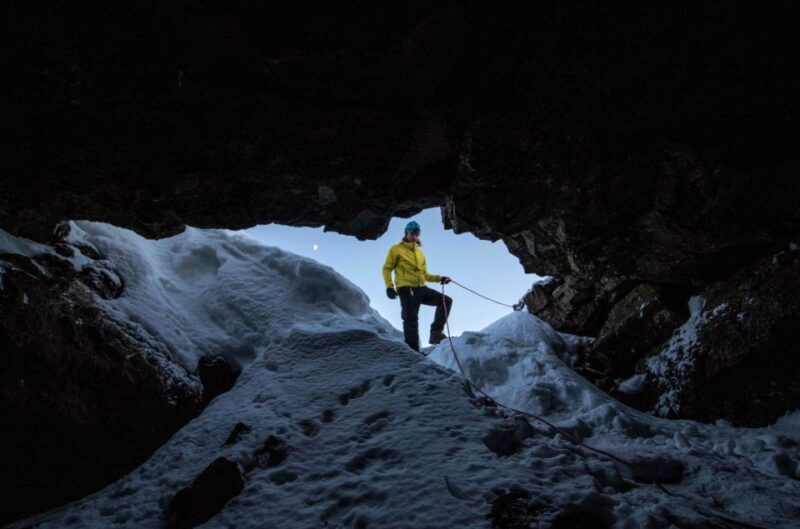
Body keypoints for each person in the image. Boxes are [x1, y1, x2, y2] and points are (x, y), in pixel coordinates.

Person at [382, 220, 452, 352]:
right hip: (406, 288)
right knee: (411, 318)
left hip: (421, 288)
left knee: (445, 301)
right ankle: (413, 352)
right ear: (406, 233)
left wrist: (440, 279)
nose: (414, 236)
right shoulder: (396, 249)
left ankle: (436, 333)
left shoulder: (420, 253)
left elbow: (425, 274)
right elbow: (387, 268)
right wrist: (389, 286)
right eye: (411, 233)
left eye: (416, 233)